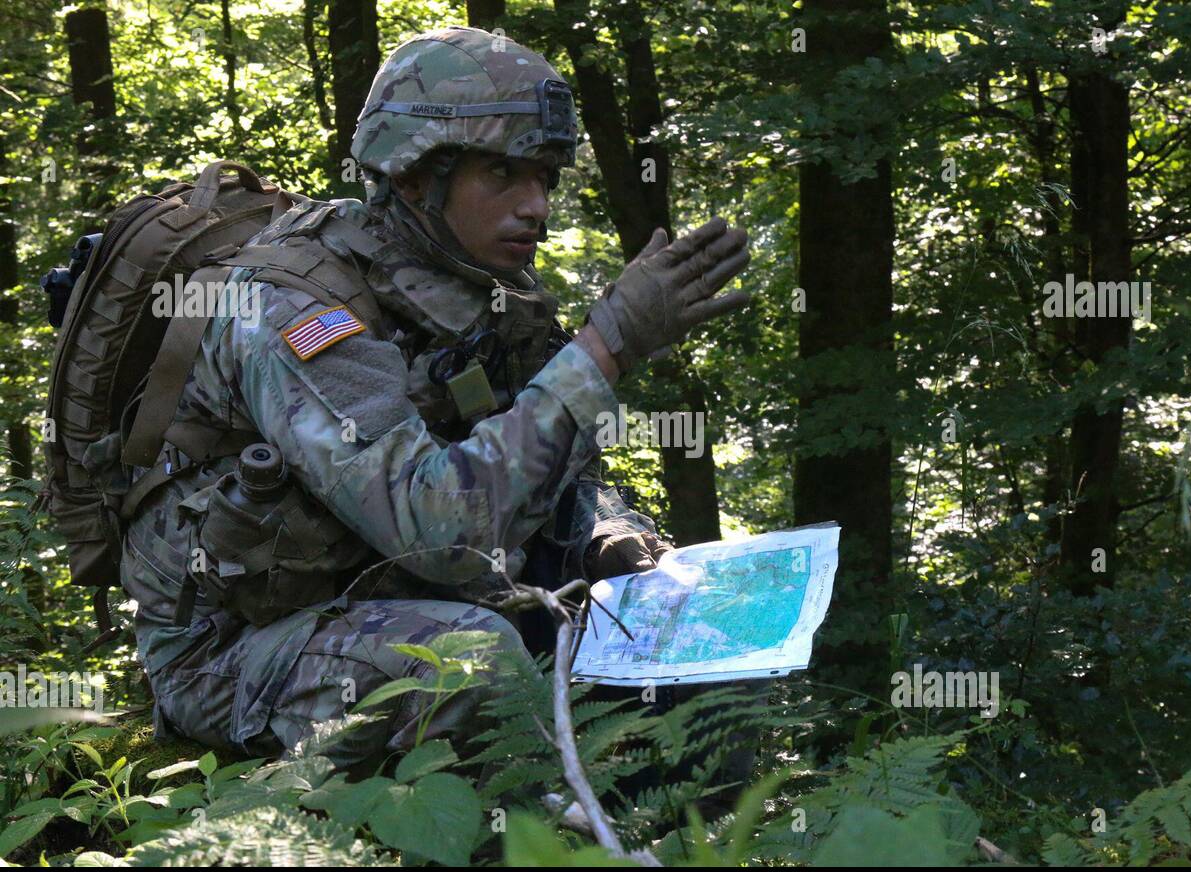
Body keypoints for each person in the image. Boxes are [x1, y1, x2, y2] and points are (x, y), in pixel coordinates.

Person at [117, 25, 752, 774]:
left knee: (694, 630)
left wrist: (609, 537)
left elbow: (552, 471)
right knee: (465, 664)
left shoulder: (480, 295)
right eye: (504, 175)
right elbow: (440, 532)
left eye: (545, 176)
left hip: (398, 595)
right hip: (239, 647)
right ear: (416, 175)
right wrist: (605, 348)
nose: (536, 206)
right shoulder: (298, 312)